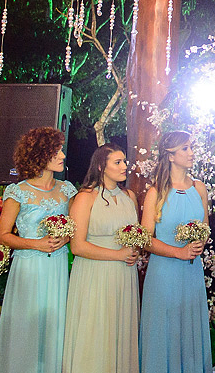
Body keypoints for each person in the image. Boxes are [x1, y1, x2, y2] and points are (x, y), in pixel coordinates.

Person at [0, 128, 76, 373]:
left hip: (57, 265)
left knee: (55, 323)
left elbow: (75, 227)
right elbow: (2, 235)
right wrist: (36, 244)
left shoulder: (67, 189)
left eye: (61, 151)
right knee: (26, 325)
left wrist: (65, 238)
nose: (62, 156)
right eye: (56, 151)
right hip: (28, 267)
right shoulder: (18, 191)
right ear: (40, 154)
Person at [62, 144, 141, 373]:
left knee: (120, 330)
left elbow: (135, 235)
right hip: (94, 274)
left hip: (124, 275)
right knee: (95, 330)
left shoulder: (129, 197)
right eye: (117, 162)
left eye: (124, 161)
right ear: (100, 167)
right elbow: (77, 246)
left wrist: (135, 250)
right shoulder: (85, 197)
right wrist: (118, 255)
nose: (124, 166)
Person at [140, 131, 211, 373]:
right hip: (164, 273)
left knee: (189, 329)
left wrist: (200, 242)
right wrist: (178, 252)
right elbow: (145, 240)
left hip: (192, 274)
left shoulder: (200, 189)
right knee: (164, 329)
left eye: (191, 147)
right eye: (185, 148)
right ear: (170, 156)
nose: (191, 153)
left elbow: (205, 227)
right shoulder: (156, 192)